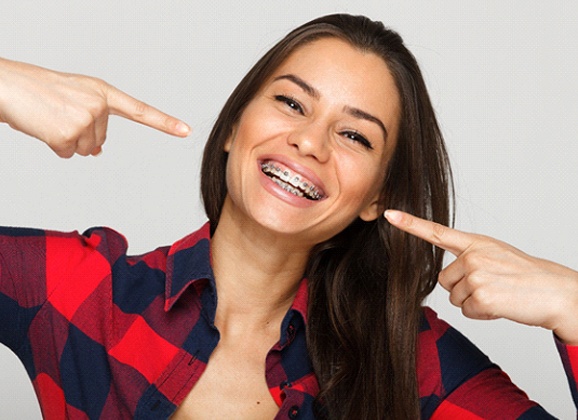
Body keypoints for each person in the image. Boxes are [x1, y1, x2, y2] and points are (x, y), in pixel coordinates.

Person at [0, 13, 577, 419]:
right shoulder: (81, 292)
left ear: (377, 196)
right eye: (291, 102)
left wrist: (573, 306)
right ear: (233, 127)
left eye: (354, 135)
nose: (309, 141)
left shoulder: (410, 359)